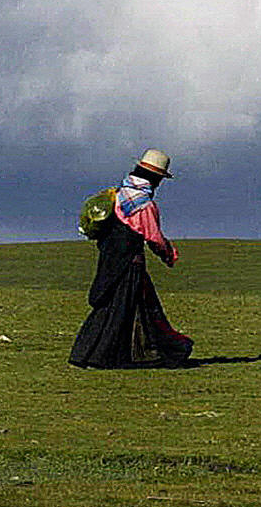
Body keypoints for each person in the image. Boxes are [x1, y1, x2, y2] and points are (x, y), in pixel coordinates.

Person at [69, 148, 194, 368]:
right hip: (130, 262)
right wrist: (168, 254)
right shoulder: (143, 204)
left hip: (109, 258)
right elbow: (153, 237)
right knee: (122, 307)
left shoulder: (116, 195)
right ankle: (103, 357)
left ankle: (89, 354)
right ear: (155, 179)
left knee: (110, 303)